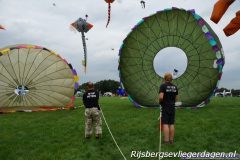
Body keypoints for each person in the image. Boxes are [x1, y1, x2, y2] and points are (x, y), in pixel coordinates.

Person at [159, 73, 178, 144]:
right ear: (171, 79)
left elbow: (161, 97)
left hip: (165, 106)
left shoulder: (163, 86)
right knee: (172, 123)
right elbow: (176, 98)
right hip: (172, 106)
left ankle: (166, 140)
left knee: (166, 123)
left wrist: (160, 102)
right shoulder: (175, 87)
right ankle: (171, 140)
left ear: (164, 78)